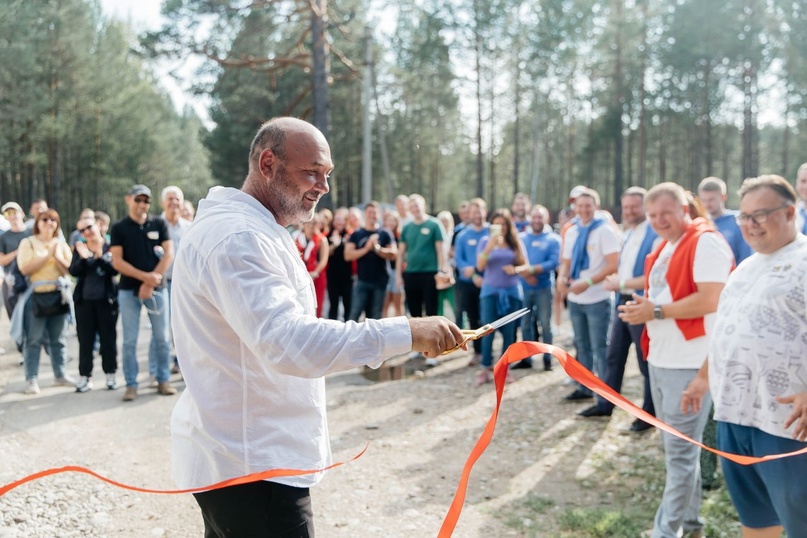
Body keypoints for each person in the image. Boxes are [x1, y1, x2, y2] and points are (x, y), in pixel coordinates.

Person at [169, 117, 464, 536]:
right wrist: (407, 332)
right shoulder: (238, 237)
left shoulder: (256, 229)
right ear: (267, 163)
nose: (323, 186)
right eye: (311, 172)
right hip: (253, 466)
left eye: (327, 175)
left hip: (249, 457)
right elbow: (289, 343)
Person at [680, 175, 807, 538]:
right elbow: (725, 330)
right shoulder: (745, 267)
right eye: (744, 217)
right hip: (735, 416)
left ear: (789, 212)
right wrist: (703, 378)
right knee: (756, 518)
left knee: (800, 520)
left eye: (760, 215)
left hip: (784, 423)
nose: (750, 225)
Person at [618, 182, 733, 538]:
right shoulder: (664, 244)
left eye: (666, 213)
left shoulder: (706, 241)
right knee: (680, 452)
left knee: (680, 454)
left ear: (685, 208)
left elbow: (713, 299)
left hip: (691, 363)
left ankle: (666, 532)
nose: (658, 221)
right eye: (652, 215)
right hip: (662, 358)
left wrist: (654, 309)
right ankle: (691, 525)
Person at [579, 187, 658, 433]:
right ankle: (605, 403)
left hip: (639, 300)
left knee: (645, 362)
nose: (630, 211)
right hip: (621, 300)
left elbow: (652, 276)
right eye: (626, 207)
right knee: (614, 356)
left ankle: (648, 414)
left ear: (645, 207)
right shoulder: (627, 232)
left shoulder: (654, 234)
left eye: (635, 206)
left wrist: (621, 283)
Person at [110, 184, 176, 401]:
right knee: (129, 340)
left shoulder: (159, 223)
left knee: (162, 338)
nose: (142, 204)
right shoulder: (119, 227)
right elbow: (117, 261)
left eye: (146, 200)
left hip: (157, 290)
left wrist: (150, 282)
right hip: (129, 291)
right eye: (138, 199)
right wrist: (144, 278)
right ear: (128, 200)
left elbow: (168, 255)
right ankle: (131, 384)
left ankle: (163, 380)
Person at [557, 187, 620, 401]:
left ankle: (605, 397)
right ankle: (584, 387)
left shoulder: (604, 231)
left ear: (596, 207)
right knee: (581, 345)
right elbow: (566, 261)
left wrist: (588, 282)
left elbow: (613, 264)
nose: (583, 210)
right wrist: (561, 278)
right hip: (575, 298)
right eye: (580, 206)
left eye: (588, 206)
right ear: (574, 207)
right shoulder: (571, 230)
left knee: (600, 348)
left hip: (597, 298)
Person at [17, 209, 74, 395]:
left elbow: (68, 270)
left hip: (58, 296)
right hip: (37, 297)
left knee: (59, 339)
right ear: (37, 222)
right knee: (33, 340)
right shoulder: (28, 243)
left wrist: (56, 254)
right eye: (44, 219)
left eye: (53, 220)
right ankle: (31, 379)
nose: (49, 223)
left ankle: (60, 374)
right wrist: (47, 254)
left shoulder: (61, 244)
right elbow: (25, 269)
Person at [474, 209, 526, 386]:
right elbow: (480, 266)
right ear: (492, 226)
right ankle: (485, 367)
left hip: (511, 292)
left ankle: (504, 368)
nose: (501, 228)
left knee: (509, 332)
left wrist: (515, 269)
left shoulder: (515, 242)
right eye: (497, 224)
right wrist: (490, 245)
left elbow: (525, 264)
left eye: (504, 224)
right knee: (487, 330)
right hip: (490, 291)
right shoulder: (484, 241)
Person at [69, 215, 119, 392]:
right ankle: (85, 376)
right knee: (85, 341)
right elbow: (73, 271)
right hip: (84, 302)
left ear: (98, 226)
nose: (86, 233)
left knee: (108, 339)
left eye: (89, 227)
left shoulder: (110, 246)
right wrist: (83, 258)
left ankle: (110, 374)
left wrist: (99, 256)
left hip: (106, 301)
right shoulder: (80, 247)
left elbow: (114, 270)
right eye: (82, 230)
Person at [513, 205, 560, 371]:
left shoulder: (553, 239)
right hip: (524, 287)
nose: (537, 220)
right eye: (534, 217)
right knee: (525, 323)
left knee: (545, 324)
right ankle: (527, 358)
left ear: (546, 219)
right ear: (530, 218)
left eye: (540, 217)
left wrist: (532, 270)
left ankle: (548, 358)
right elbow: (515, 259)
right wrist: (526, 275)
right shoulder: (521, 238)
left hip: (544, 288)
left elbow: (554, 263)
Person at [395, 194, 446, 319]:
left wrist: (441, 270)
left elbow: (440, 250)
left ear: (423, 206)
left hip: (430, 273)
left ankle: (433, 339)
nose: (415, 209)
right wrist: (398, 276)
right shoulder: (406, 228)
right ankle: (419, 339)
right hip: (411, 273)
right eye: (411, 206)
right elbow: (400, 253)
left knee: (431, 312)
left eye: (417, 205)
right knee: (414, 313)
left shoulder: (434, 224)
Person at [344, 201, 395, 321]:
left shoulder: (385, 233)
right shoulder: (357, 234)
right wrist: (366, 248)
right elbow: (348, 255)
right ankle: (350, 339)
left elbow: (393, 254)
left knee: (376, 315)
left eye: (375, 212)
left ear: (379, 214)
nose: (372, 215)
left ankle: (373, 340)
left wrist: (378, 249)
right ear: (364, 214)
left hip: (380, 281)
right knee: (355, 313)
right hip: (362, 280)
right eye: (369, 212)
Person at [453, 198, 488, 366]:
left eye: (479, 211)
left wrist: (478, 272)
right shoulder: (462, 236)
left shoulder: (491, 233)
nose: (477, 215)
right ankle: (478, 352)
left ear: (485, 212)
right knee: (473, 318)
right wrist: (473, 275)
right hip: (467, 284)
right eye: (474, 212)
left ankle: (490, 352)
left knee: (488, 318)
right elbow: (459, 260)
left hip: (488, 282)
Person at [161, 186, 192, 373]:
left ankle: (183, 365)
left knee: (183, 327)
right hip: (162, 283)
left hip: (184, 285)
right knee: (163, 330)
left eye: (177, 199)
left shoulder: (190, 228)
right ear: (163, 202)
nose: (174, 203)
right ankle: (162, 369)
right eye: (170, 199)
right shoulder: (156, 225)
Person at [697, 176, 753, 265]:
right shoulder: (699, 225)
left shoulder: (737, 222)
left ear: (723, 197)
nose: (707, 204)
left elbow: (745, 256)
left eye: (711, 199)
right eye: (703, 200)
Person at [0, 202, 32, 320]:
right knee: (15, 316)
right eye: (8, 213)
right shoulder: (3, 237)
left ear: (22, 213)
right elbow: (1, 260)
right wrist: (17, 253)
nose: (12, 216)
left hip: (31, 277)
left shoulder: (32, 232)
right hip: (12, 281)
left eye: (14, 212)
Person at [325, 208, 353, 321]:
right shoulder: (327, 236)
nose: (339, 222)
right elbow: (325, 253)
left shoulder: (350, 235)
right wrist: (335, 244)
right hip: (332, 276)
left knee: (348, 306)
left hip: (347, 276)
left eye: (342, 220)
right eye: (337, 220)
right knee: (333, 306)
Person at [298, 215, 329, 317]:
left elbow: (323, 260)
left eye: (314, 223)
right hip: (301, 277)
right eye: (309, 223)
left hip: (316, 276)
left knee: (317, 306)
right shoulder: (297, 238)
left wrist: (314, 273)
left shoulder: (322, 240)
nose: (311, 226)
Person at [381, 210, 405, 318]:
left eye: (393, 221)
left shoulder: (400, 236)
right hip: (384, 272)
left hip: (397, 272)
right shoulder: (381, 234)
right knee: (384, 303)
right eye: (389, 220)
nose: (391, 223)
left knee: (398, 302)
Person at [435, 210, 456, 318]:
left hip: (452, 271)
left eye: (447, 221)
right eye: (442, 221)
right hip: (438, 272)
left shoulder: (454, 236)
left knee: (455, 303)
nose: (445, 224)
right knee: (439, 303)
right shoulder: (435, 236)